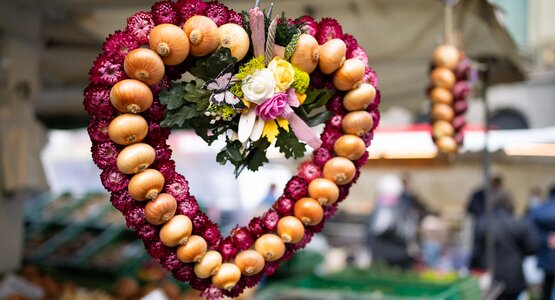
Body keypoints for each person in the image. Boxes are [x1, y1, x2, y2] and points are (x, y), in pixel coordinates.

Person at [472, 193, 538, 300]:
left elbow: (476, 253)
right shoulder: (519, 223)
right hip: (514, 278)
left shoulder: (482, 223)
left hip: (490, 277)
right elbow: (532, 248)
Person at [530, 184, 555, 300]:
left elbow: (529, 229)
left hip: (546, 256)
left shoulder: (540, 210)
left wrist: (545, 238)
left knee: (547, 286)